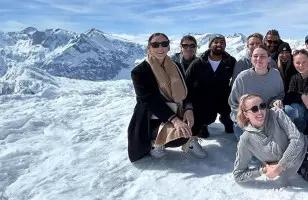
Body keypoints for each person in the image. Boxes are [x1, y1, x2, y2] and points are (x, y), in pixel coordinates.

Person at [128, 33, 207, 162]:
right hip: (153, 116)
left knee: (198, 112)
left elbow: (185, 90)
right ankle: (157, 143)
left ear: (169, 47)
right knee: (181, 133)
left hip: (177, 109)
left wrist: (188, 108)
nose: (161, 48)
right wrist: (175, 120)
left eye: (164, 44)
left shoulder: (176, 66)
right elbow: (150, 101)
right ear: (149, 48)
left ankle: (190, 140)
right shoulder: (140, 71)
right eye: (155, 45)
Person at [233, 94, 307, 185]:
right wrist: (262, 170)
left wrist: (280, 166)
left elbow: (298, 139)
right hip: (292, 171)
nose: (260, 112)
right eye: (254, 109)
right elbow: (238, 175)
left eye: (262, 106)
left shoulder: (276, 114)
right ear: (246, 114)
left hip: (304, 152)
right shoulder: (246, 139)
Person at [229, 44, 285, 140]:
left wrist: (277, 100)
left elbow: (280, 94)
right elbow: (233, 103)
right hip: (246, 120)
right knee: (255, 146)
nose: (258, 59)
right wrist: (247, 119)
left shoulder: (275, 74)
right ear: (251, 58)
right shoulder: (242, 77)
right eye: (255, 56)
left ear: (269, 59)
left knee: (291, 112)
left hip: (268, 116)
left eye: (263, 56)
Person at [186, 34, 236, 138]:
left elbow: (237, 79)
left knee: (230, 119)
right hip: (204, 99)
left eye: (222, 42)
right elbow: (188, 82)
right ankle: (203, 125)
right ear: (210, 45)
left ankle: (227, 121)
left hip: (224, 97)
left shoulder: (230, 61)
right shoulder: (198, 63)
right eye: (215, 42)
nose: (219, 44)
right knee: (205, 124)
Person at [284, 49, 308, 134]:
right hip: (302, 111)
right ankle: (300, 135)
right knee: (292, 108)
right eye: (297, 63)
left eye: (304, 62)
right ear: (294, 64)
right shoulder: (294, 78)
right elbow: (289, 96)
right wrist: (302, 96)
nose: (301, 65)